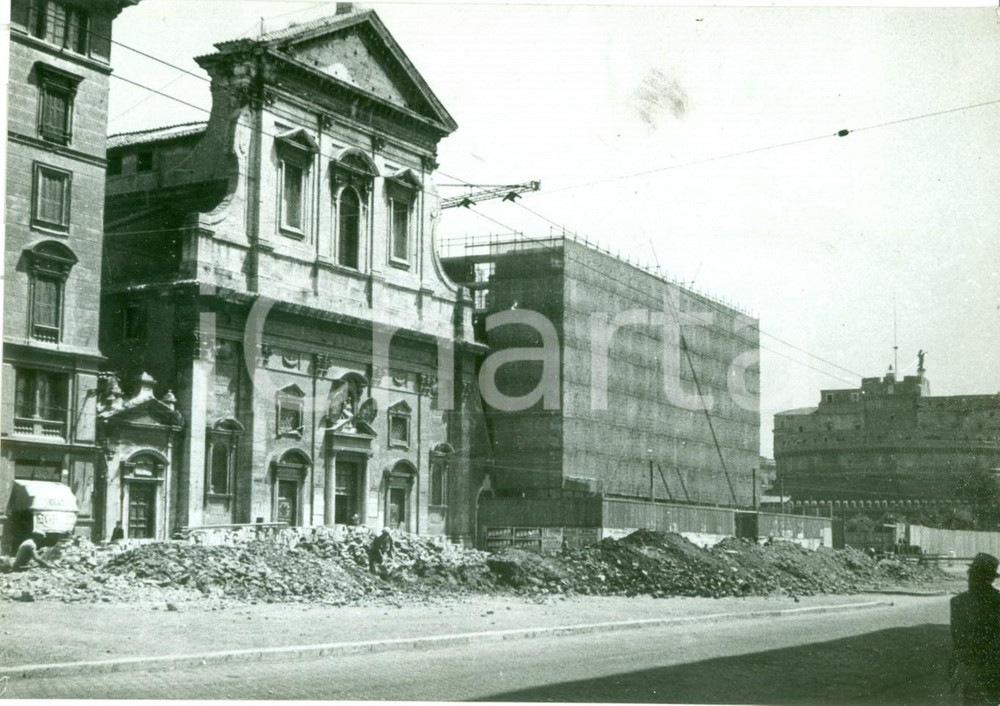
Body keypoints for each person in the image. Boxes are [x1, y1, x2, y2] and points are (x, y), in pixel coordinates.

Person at [951, 553, 1000, 704]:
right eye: (971, 574)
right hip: (991, 668)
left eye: (974, 574)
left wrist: (956, 667)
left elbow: (957, 640)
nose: (971, 578)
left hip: (973, 668)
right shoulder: (997, 600)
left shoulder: (958, 602)